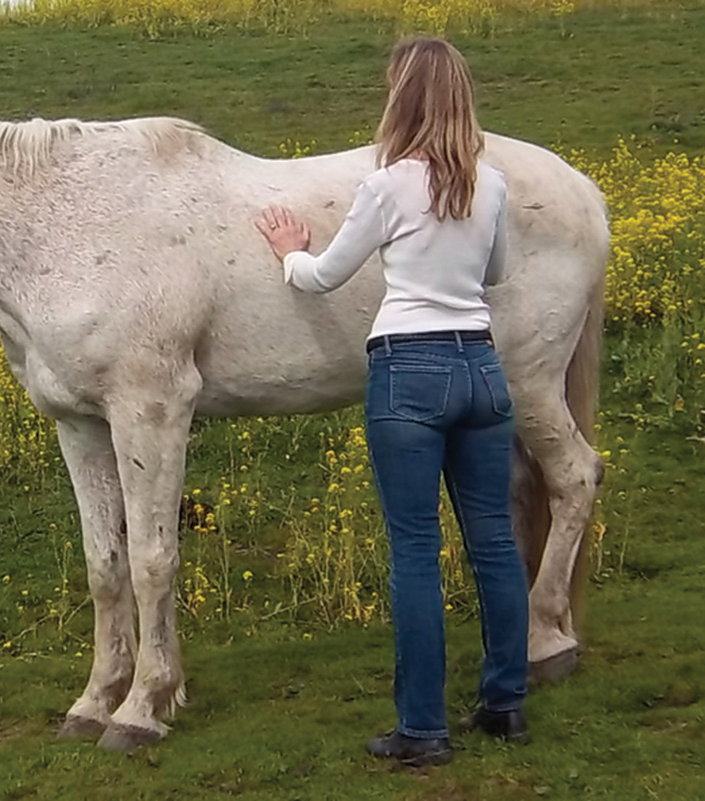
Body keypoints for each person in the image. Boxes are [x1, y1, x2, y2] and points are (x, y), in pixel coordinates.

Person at [255, 36, 531, 768]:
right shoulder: (491, 183)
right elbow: (497, 272)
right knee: (495, 542)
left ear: (400, 97)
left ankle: (422, 728)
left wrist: (289, 247)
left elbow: (320, 278)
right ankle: (505, 702)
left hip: (409, 369)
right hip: (482, 367)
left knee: (415, 552)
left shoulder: (384, 187)